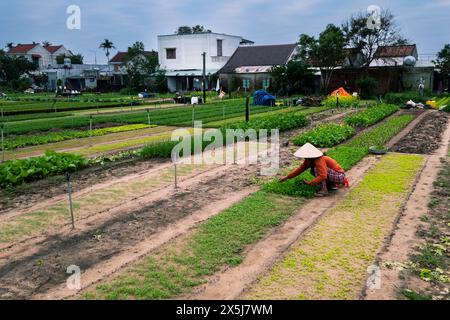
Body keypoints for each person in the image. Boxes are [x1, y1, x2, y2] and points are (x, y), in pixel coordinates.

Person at [279, 143, 348, 197]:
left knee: (317, 170)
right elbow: (300, 169)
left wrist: (310, 183)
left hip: (340, 176)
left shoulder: (319, 159)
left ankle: (324, 190)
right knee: (313, 170)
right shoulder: (309, 160)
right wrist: (287, 177)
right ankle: (331, 186)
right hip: (334, 175)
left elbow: (323, 176)